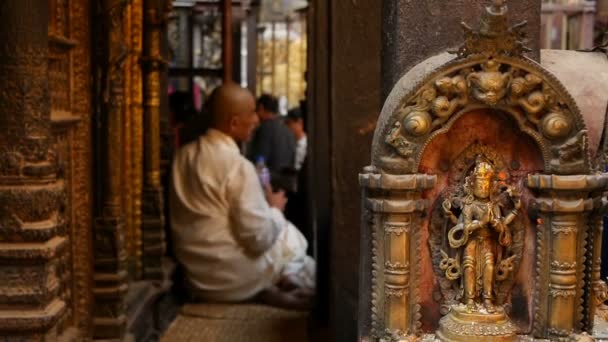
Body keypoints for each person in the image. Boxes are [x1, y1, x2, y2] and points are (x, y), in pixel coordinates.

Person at [170, 83, 315, 310]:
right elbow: (258, 238)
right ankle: (279, 283)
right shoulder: (237, 166)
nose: (257, 119)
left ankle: (276, 286)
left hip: (197, 277)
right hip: (233, 278)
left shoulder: (183, 156)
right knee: (293, 239)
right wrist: (275, 208)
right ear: (234, 123)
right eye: (251, 113)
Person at [247, 94, 296, 173]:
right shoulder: (287, 129)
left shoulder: (265, 128)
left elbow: (260, 162)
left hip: (269, 182)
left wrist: (266, 184)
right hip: (287, 182)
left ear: (261, 108)